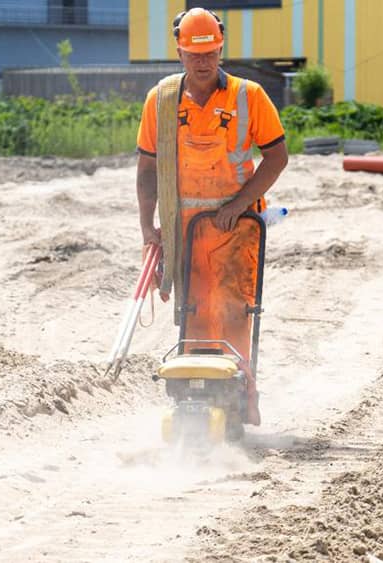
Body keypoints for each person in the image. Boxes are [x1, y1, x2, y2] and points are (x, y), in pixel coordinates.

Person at [135, 7, 288, 426]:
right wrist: (149, 229)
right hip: (185, 231)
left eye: (210, 53)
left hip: (236, 229)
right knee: (193, 313)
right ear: (180, 52)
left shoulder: (249, 96)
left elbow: (277, 157)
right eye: (193, 54)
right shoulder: (161, 101)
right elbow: (147, 170)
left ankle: (237, 399)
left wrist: (237, 206)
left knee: (235, 312)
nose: (202, 62)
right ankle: (194, 397)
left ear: (221, 49)